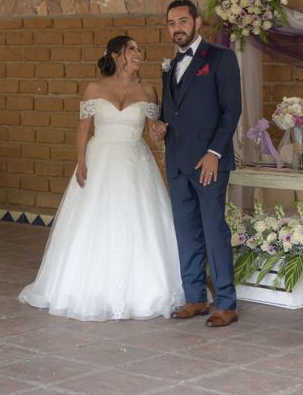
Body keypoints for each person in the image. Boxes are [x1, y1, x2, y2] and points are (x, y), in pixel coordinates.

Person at [19, 35, 184, 321]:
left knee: (139, 221)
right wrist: (81, 160)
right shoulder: (94, 88)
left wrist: (159, 133)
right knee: (94, 220)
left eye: (139, 48)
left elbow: (150, 131)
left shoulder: (148, 90)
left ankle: (147, 290)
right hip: (100, 159)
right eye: (131, 49)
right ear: (116, 55)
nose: (138, 53)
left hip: (135, 160)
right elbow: (83, 127)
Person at [151, 0, 242, 327]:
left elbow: (231, 111)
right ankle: (194, 298)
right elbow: (170, 111)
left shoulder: (221, 58)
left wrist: (214, 153)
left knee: (214, 230)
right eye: (171, 22)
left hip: (209, 163)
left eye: (182, 21)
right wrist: (160, 127)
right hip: (176, 161)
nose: (176, 27)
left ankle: (226, 303)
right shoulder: (168, 65)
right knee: (186, 231)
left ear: (198, 22)